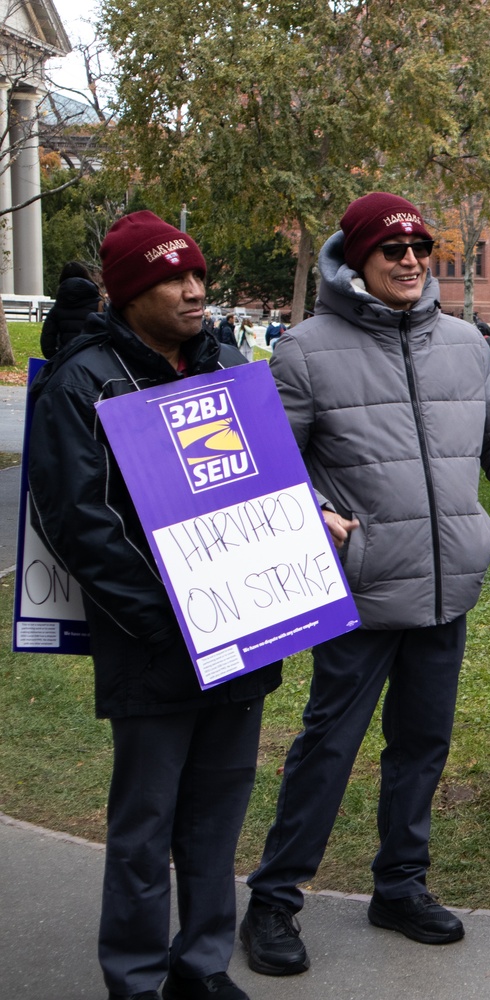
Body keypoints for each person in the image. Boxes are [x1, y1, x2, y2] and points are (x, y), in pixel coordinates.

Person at [240, 192, 490, 975]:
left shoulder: (464, 345)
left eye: (420, 247)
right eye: (392, 250)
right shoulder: (304, 351)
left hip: (448, 585)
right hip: (362, 591)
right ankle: (275, 900)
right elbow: (270, 467)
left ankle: (401, 885)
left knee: (421, 746)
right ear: (355, 261)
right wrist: (312, 509)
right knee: (328, 747)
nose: (412, 260)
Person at [29, 211, 282, 1000]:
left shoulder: (228, 364)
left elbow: (262, 480)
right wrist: (173, 616)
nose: (194, 290)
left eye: (198, 275)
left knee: (216, 816)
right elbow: (81, 522)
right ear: (129, 290)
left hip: (243, 635)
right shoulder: (85, 380)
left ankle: (201, 967)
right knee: (145, 827)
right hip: (152, 644)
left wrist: (306, 519)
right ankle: (137, 979)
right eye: (174, 278)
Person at [40, 259, 101, 358]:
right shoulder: (99, 305)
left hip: (66, 360)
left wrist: (57, 358)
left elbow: (47, 341)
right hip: (93, 359)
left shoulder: (57, 308)